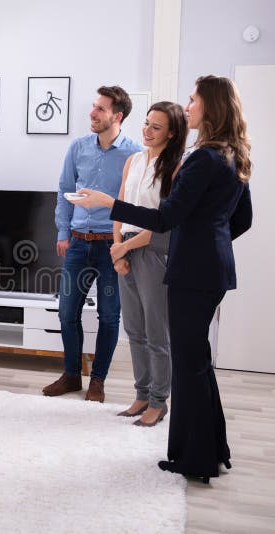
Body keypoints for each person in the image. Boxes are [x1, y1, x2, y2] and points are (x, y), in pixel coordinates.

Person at [70, 75, 252, 482]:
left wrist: (109, 203)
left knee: (189, 366)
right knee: (198, 364)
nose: (188, 105)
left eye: (193, 100)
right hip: (212, 269)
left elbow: (166, 218)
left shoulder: (203, 158)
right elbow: (242, 220)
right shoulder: (233, 154)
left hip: (191, 271)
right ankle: (213, 449)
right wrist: (208, 239)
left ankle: (195, 460)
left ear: (211, 107)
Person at [43, 86, 143, 402]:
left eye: (100, 108)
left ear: (118, 115)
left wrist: (123, 244)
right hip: (77, 244)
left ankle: (97, 381)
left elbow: (136, 203)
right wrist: (63, 231)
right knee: (67, 313)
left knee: (109, 316)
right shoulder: (78, 147)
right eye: (94, 106)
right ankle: (72, 375)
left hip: (112, 247)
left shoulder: (135, 154)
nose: (92, 113)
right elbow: (63, 190)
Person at [112, 101, 187, 427]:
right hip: (125, 247)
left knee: (157, 333)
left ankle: (159, 401)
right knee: (134, 330)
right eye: (146, 123)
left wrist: (125, 246)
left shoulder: (176, 167)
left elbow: (163, 222)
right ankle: (141, 395)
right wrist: (117, 248)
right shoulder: (133, 160)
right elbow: (120, 207)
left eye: (156, 127)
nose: (147, 130)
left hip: (154, 249)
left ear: (171, 133)